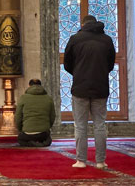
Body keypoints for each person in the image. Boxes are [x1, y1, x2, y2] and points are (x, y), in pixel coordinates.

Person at [63, 14, 115, 169]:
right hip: (101, 87)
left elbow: (67, 63)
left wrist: (78, 73)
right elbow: (110, 64)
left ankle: (81, 161)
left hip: (80, 87)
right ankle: (100, 161)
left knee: (80, 126)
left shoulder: (75, 39)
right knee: (100, 125)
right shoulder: (107, 40)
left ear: (83, 24)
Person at [15, 78, 56, 147]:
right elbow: (52, 116)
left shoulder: (23, 98)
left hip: (27, 133)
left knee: (20, 140)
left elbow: (18, 117)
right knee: (47, 139)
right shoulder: (48, 98)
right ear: (41, 86)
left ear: (29, 86)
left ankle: (31, 143)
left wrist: (21, 130)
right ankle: (42, 143)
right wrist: (47, 128)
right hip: (43, 134)